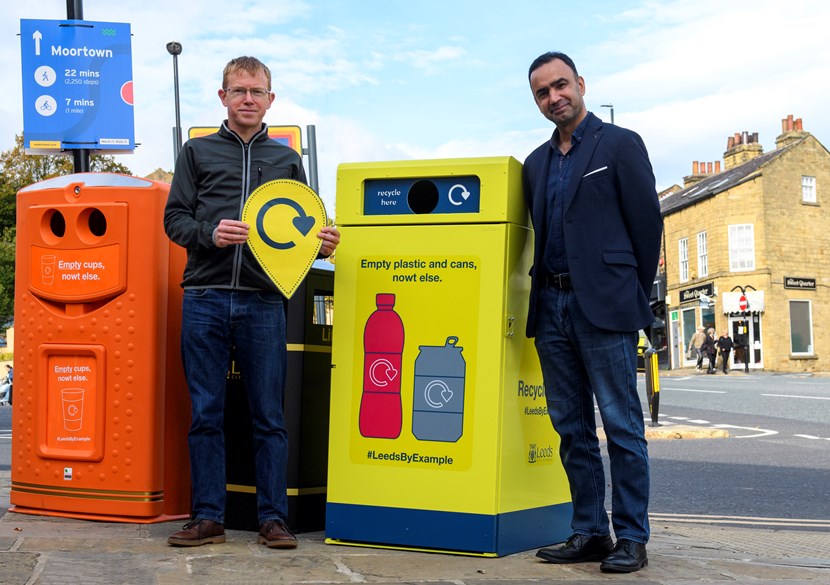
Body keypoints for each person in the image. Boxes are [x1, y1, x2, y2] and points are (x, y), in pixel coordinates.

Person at [163, 56, 340, 549]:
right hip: (204, 296)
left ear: (270, 99)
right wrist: (208, 233)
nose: (247, 99)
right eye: (238, 90)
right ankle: (207, 517)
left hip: (264, 301)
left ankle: (273, 518)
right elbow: (173, 219)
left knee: (269, 415)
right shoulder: (196, 153)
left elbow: (300, 230)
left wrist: (322, 243)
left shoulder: (287, 162)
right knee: (206, 412)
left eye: (256, 91)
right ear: (223, 97)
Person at [522, 51, 662, 573]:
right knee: (571, 428)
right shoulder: (535, 163)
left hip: (604, 305)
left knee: (623, 426)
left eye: (561, 85)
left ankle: (632, 536)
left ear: (580, 83)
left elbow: (647, 228)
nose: (554, 97)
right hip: (551, 303)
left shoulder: (620, 144)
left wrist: (628, 292)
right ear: (535, 101)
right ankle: (589, 531)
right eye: (542, 92)